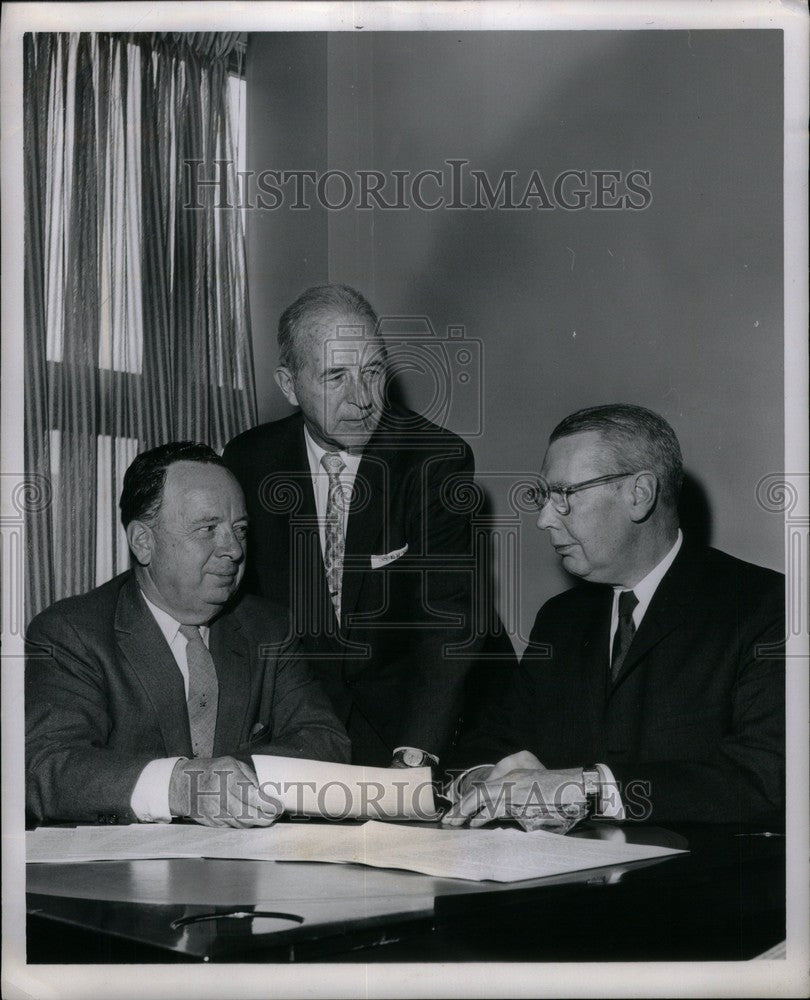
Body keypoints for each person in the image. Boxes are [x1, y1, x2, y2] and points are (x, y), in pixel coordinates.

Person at [443, 404, 785, 828]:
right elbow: (489, 741)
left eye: (564, 495)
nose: (544, 519)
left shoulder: (765, 606)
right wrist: (481, 780)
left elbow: (765, 779)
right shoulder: (560, 619)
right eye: (543, 496)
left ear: (639, 494)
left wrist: (588, 789)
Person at [223, 284, 515, 769]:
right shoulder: (249, 461)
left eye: (373, 372)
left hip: (425, 723)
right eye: (335, 376)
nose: (362, 400)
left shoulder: (433, 460)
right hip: (308, 728)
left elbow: (449, 620)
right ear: (289, 385)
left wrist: (417, 753)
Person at [25, 443, 351, 827]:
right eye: (208, 529)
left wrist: (228, 784)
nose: (233, 550)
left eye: (239, 529)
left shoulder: (269, 629)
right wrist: (180, 787)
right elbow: (46, 768)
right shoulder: (73, 632)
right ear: (144, 541)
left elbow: (328, 745)